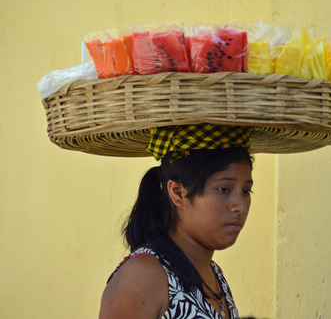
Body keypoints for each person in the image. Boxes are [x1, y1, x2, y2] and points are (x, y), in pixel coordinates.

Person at [99, 124, 254, 319]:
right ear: (178, 193)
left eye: (246, 191)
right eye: (223, 189)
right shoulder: (142, 276)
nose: (239, 205)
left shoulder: (213, 275)